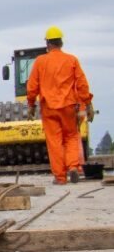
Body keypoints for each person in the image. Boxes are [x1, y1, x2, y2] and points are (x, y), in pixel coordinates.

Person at [26, 25, 94, 185]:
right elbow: (82, 85)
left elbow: (32, 86)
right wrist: (88, 103)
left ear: (48, 44)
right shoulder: (72, 60)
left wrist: (31, 105)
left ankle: (60, 177)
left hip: (49, 108)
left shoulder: (40, 61)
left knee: (54, 141)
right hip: (69, 107)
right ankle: (72, 167)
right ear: (61, 43)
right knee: (71, 136)